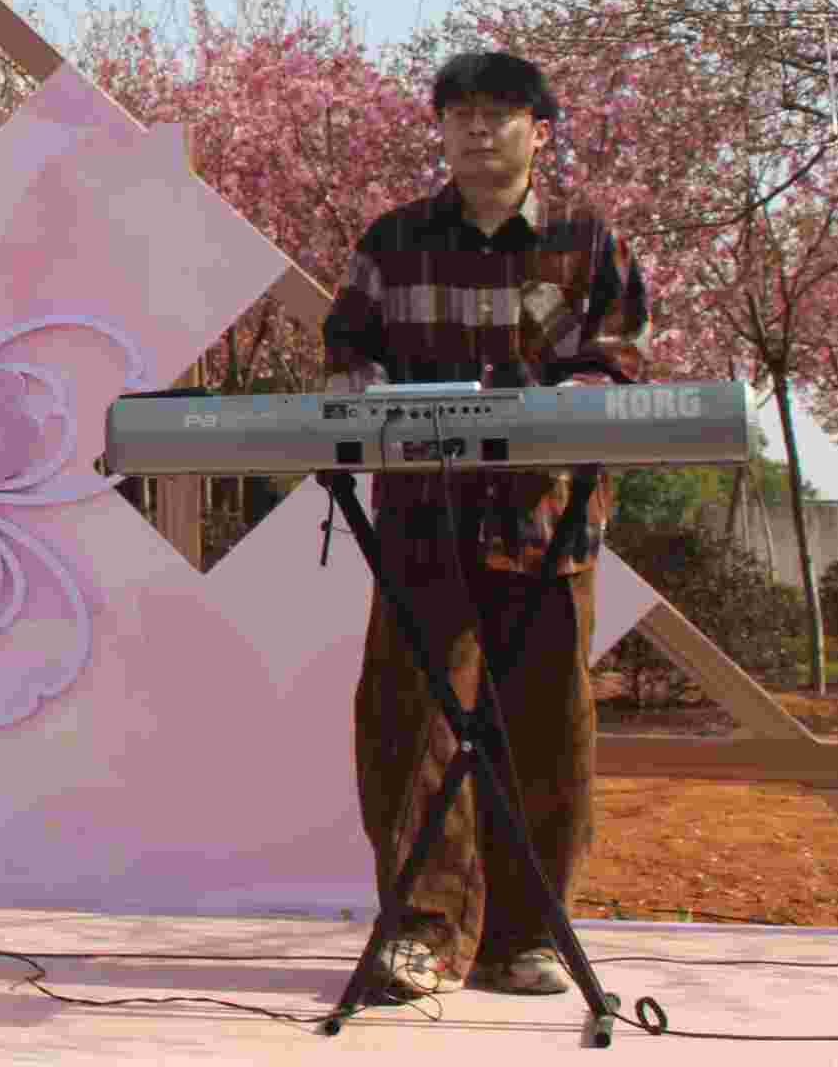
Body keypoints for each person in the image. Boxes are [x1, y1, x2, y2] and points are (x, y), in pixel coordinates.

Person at [323, 51, 652, 1003]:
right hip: (423, 525)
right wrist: (374, 400)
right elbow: (348, 354)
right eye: (458, 113)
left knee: (547, 731)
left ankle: (527, 936)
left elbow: (618, 359)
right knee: (410, 726)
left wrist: (561, 407)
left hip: (546, 525)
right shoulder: (392, 241)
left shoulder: (588, 242)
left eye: (499, 113)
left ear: (539, 133)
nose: (475, 129)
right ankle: (421, 934)